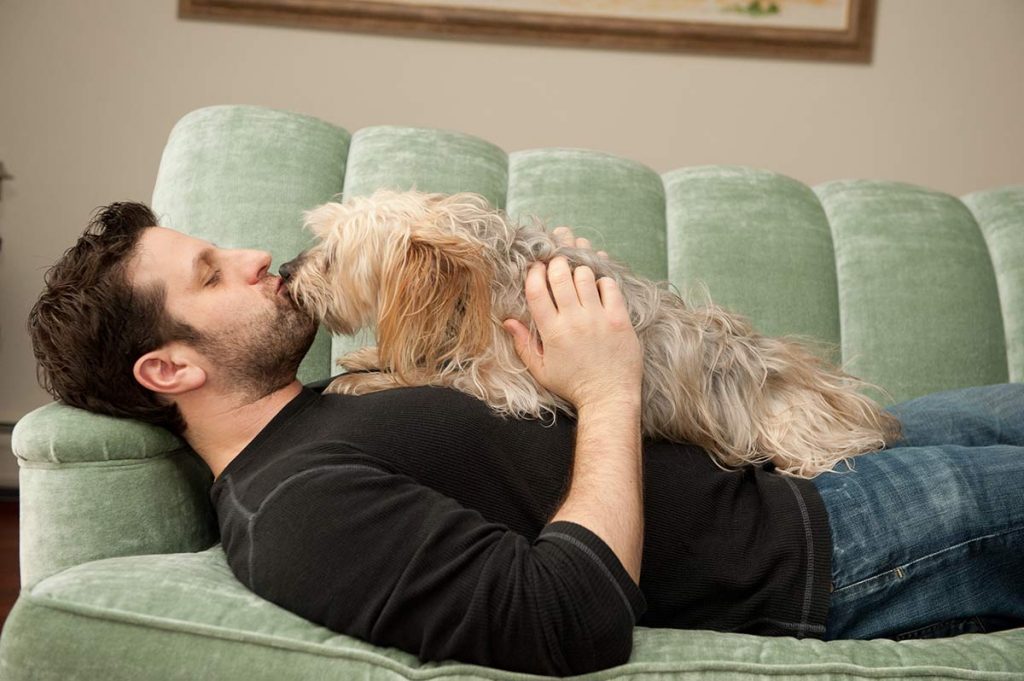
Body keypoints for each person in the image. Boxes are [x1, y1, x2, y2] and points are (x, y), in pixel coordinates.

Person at [28, 202, 1024, 676]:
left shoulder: (328, 403)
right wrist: (603, 386)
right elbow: (564, 617)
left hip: (796, 435)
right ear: (170, 369)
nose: (255, 256)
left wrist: (571, 287)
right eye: (209, 274)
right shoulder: (292, 509)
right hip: (817, 544)